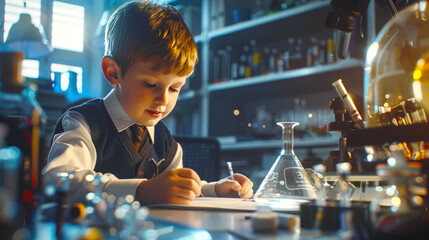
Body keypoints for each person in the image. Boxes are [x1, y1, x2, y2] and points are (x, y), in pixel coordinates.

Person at [43, 0, 253, 205]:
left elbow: (176, 192)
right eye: (150, 83)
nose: (163, 99)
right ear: (113, 72)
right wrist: (140, 191)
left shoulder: (166, 143)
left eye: (174, 88)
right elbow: (58, 180)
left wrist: (215, 189)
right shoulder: (83, 123)